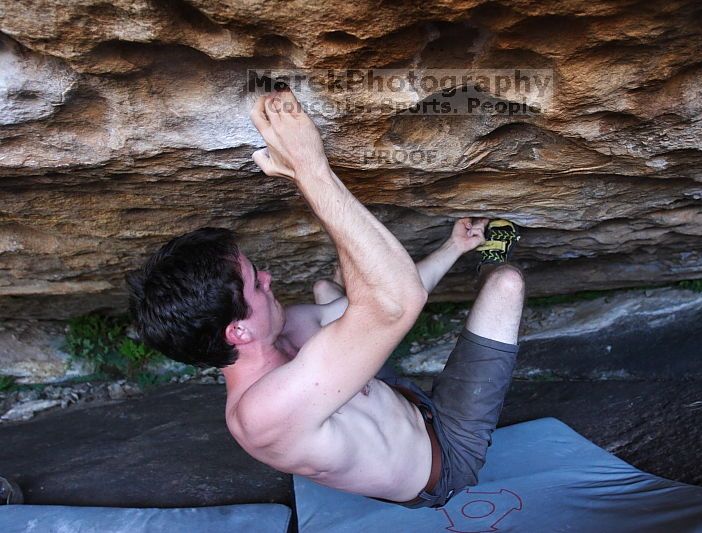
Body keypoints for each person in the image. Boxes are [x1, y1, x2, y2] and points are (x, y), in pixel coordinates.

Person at [127, 88, 525, 508]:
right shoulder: (263, 416)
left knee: (330, 294)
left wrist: (454, 247)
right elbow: (395, 302)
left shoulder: (286, 328)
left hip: (400, 399)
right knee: (506, 284)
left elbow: (385, 301)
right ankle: (490, 265)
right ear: (238, 330)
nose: (269, 276)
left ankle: (458, 256)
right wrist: (309, 168)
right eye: (255, 284)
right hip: (447, 454)